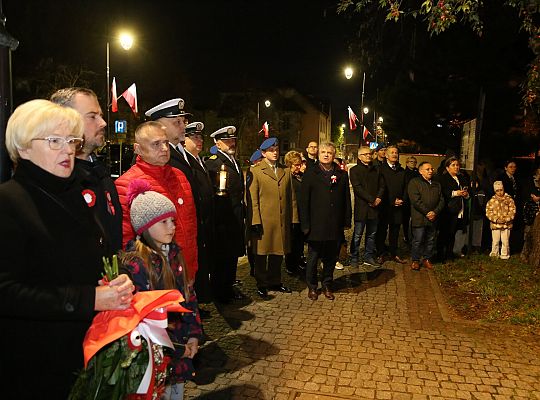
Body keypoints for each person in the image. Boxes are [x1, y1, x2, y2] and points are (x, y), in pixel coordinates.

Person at [0, 99, 134, 399]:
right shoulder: (8, 202)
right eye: (54, 140)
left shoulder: (75, 192)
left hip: (88, 354)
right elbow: (6, 292)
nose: (67, 150)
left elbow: (100, 253)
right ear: (23, 148)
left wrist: (119, 276)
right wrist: (89, 299)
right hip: (36, 366)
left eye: (71, 140)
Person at [120, 180, 202, 400]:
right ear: (145, 227)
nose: (172, 227)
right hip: (156, 359)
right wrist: (176, 349)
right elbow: (145, 323)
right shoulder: (136, 265)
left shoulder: (175, 254)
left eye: (172, 221)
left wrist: (193, 335)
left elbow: (188, 299)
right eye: (163, 222)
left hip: (180, 352)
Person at [115, 121, 198, 282]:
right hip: (153, 278)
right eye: (156, 144)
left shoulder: (180, 176)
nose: (165, 149)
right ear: (137, 149)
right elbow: (125, 240)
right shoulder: (126, 185)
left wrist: (192, 268)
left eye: (166, 142)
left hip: (185, 271)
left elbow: (191, 227)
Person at [50, 87, 123, 254]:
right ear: (65, 121)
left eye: (101, 116)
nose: (103, 123)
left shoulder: (101, 174)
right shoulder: (56, 182)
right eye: (92, 116)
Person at [300, 142, 351, 301]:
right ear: (318, 154)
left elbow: (346, 200)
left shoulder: (341, 175)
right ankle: (312, 286)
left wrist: (346, 220)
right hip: (316, 224)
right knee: (313, 257)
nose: (326, 154)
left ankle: (327, 284)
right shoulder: (310, 173)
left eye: (329, 152)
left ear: (334, 155)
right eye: (323, 152)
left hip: (334, 224)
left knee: (330, 257)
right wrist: (305, 225)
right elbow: (304, 201)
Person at [246, 137, 298, 298]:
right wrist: (255, 221)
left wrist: (294, 219)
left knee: (278, 253)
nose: (275, 153)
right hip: (264, 221)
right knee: (261, 255)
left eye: (276, 150)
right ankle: (262, 284)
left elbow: (292, 198)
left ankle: (275, 281)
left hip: (281, 221)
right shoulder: (255, 171)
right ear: (263, 153)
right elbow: (252, 199)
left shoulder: (286, 171)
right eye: (271, 151)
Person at [205, 126, 246, 303]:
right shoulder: (214, 162)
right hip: (222, 218)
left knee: (231, 256)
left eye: (233, 140)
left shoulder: (233, 161)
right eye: (227, 141)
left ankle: (228, 287)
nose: (232, 143)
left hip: (234, 216)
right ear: (217, 143)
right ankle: (219, 292)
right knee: (221, 258)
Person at [182, 121, 216, 305]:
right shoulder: (187, 162)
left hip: (204, 221)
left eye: (200, 137)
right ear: (184, 139)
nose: (199, 140)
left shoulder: (198, 161)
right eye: (194, 137)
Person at [349, 146, 384, 268]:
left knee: (371, 234)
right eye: (365, 154)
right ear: (359, 156)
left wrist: (378, 198)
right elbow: (358, 188)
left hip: (374, 207)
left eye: (369, 154)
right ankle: (354, 256)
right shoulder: (354, 170)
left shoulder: (377, 169)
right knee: (357, 234)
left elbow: (382, 186)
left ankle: (368, 256)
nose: (368, 156)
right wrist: (371, 199)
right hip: (362, 207)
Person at [408, 162, 445, 270]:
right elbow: (415, 200)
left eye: (431, 169)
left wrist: (435, 212)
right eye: (427, 169)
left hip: (433, 218)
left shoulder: (436, 184)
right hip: (419, 217)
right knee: (418, 239)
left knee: (430, 240)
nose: (430, 171)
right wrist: (427, 212)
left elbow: (441, 200)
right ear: (420, 171)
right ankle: (415, 260)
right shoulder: (414, 182)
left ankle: (427, 258)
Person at [376, 145, 407, 264]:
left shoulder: (401, 170)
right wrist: (391, 201)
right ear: (386, 155)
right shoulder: (381, 170)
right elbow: (380, 188)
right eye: (392, 152)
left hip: (398, 206)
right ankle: (381, 253)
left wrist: (402, 200)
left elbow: (405, 188)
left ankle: (394, 253)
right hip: (384, 206)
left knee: (395, 231)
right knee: (381, 230)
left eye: (396, 153)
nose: (395, 154)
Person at [436, 156, 470, 262]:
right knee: (445, 233)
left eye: (457, 165)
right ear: (447, 168)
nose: (456, 167)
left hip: (460, 209)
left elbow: (467, 191)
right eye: (453, 165)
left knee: (453, 233)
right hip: (448, 210)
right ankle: (441, 254)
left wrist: (465, 194)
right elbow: (443, 192)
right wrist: (456, 193)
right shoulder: (443, 178)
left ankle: (450, 254)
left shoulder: (461, 178)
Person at [284, 150, 306, 275]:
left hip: (301, 214)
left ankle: (298, 261)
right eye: (296, 165)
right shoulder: (288, 178)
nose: (299, 167)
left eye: (300, 164)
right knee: (292, 242)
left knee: (299, 241)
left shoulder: (300, 176)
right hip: (292, 215)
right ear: (289, 164)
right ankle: (291, 265)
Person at [486, 181, 516, 260]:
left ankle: (504, 254)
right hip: (496, 224)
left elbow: (512, 211)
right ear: (494, 191)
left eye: (501, 190)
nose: (499, 192)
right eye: (497, 190)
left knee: (505, 241)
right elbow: (488, 212)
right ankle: (494, 253)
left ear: (503, 189)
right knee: (495, 241)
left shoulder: (509, 199)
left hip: (506, 224)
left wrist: (506, 219)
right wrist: (496, 219)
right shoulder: (491, 201)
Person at [521, 167, 540, 259]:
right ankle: (525, 254)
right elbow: (525, 193)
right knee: (528, 233)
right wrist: (531, 197)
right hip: (531, 210)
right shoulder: (529, 182)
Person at [402, 156, 420, 244]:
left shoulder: (418, 173)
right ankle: (406, 236)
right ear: (407, 162)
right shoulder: (404, 173)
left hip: (416, 199)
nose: (413, 163)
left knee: (415, 219)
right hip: (406, 199)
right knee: (405, 219)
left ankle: (414, 236)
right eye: (411, 161)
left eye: (414, 162)